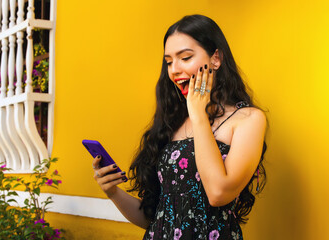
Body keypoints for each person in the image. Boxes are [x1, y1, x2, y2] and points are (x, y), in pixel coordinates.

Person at [92, 14, 267, 240]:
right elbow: (156, 219)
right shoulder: (172, 122)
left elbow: (218, 193)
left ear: (216, 58)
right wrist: (112, 192)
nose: (173, 70)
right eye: (168, 62)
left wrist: (198, 115)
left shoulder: (249, 119)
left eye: (185, 57)